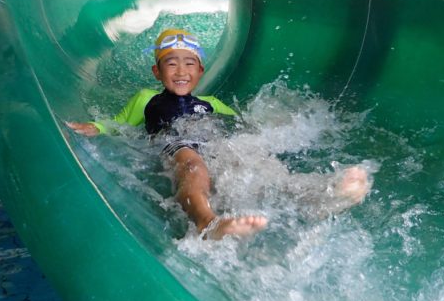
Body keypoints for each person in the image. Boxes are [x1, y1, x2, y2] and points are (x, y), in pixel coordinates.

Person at [68, 28, 370, 239]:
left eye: (190, 64)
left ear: (201, 71)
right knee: (193, 168)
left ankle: (318, 196)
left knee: (259, 165)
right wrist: (96, 127)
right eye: (171, 64)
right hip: (176, 143)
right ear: (157, 72)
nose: (181, 71)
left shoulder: (212, 103)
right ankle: (207, 222)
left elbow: (243, 127)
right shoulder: (147, 98)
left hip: (219, 144)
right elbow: (119, 122)